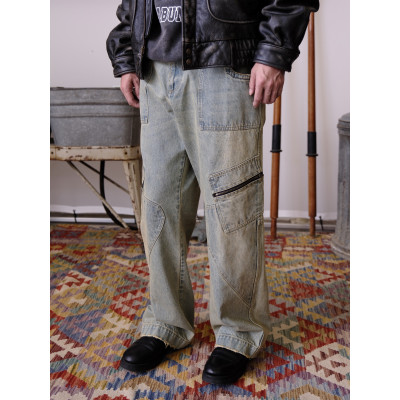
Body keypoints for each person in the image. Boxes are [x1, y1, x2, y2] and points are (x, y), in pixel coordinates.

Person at [107, 0, 319, 384]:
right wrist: (127, 52)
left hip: (223, 64)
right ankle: (165, 322)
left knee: (232, 207)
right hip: (154, 68)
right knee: (158, 206)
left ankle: (238, 331)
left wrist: (273, 53)